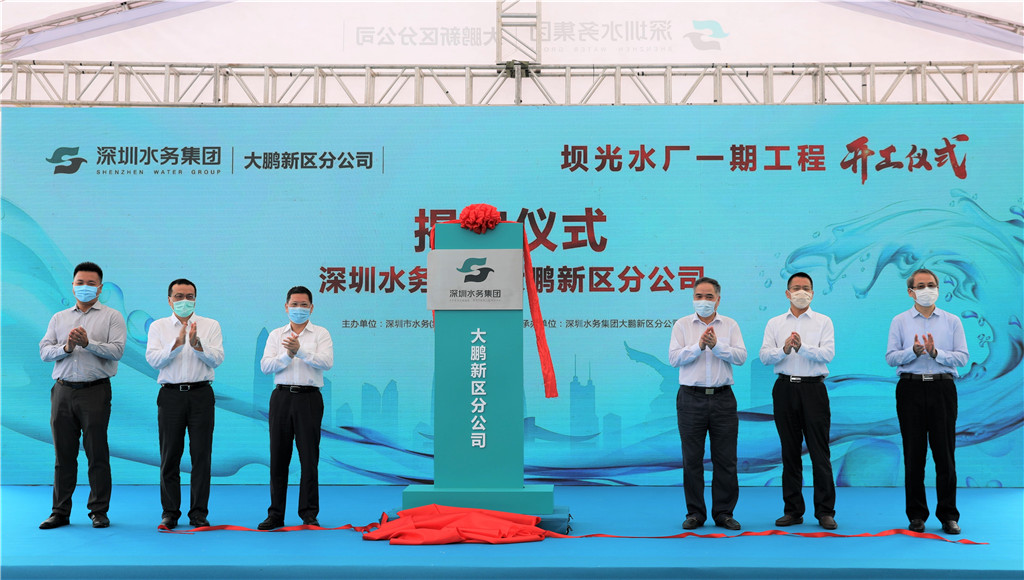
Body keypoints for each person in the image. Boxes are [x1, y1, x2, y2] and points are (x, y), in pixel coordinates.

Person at [37, 262, 126, 529]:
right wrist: (67, 347)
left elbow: (117, 351)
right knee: (63, 455)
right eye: (79, 283)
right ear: (72, 285)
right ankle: (59, 512)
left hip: (95, 391)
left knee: (97, 453)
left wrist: (88, 344)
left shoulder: (112, 317)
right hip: (63, 391)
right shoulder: (59, 318)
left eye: (90, 283)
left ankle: (98, 511)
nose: (84, 287)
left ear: (100, 288)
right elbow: (44, 352)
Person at [886, 268, 968, 535]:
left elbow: (962, 357)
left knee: (945, 455)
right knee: (914, 455)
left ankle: (948, 515)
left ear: (938, 288)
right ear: (910, 292)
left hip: (942, 389)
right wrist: (912, 351)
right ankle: (917, 515)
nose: (927, 290)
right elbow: (891, 357)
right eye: (920, 286)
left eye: (931, 285)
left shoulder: (952, 321)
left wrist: (936, 353)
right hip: (910, 389)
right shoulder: (900, 321)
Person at [759, 272, 837, 530]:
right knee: (790, 452)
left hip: (814, 389)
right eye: (796, 288)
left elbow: (827, 354)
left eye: (805, 288)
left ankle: (825, 511)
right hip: (784, 389)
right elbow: (764, 356)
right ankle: (793, 510)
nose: (801, 292)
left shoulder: (823, 321)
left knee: (819, 452)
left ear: (812, 293)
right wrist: (784, 349)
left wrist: (802, 347)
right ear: (787, 293)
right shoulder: (775, 323)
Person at [145, 278, 224, 529]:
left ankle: (198, 513)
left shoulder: (210, 325)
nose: (184, 301)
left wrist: (199, 346)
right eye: (178, 296)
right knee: (170, 456)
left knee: (201, 456)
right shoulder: (158, 326)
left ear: (195, 299)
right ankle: (170, 512)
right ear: (169, 300)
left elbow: (217, 359)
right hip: (171, 395)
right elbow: (153, 360)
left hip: (201, 394)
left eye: (189, 296)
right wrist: (177, 345)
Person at [669, 276, 747, 531]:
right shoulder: (682, 325)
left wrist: (717, 346)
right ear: (693, 298)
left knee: (726, 459)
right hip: (690, 398)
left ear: (718, 300)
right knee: (692, 459)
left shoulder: (730, 325)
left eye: (709, 296)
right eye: (699, 296)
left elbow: (741, 357)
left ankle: (724, 513)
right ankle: (695, 513)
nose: (703, 301)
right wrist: (699, 346)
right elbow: (674, 358)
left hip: (723, 398)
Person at [258, 286, 334, 530]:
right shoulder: (275, 335)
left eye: (303, 305)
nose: (298, 309)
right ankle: (275, 514)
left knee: (309, 458)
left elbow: (327, 362)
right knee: (278, 457)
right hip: (281, 397)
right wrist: (287, 356)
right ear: (286, 307)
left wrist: (300, 351)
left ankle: (309, 513)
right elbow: (265, 366)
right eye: (294, 304)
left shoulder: (321, 333)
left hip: (309, 399)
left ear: (311, 308)